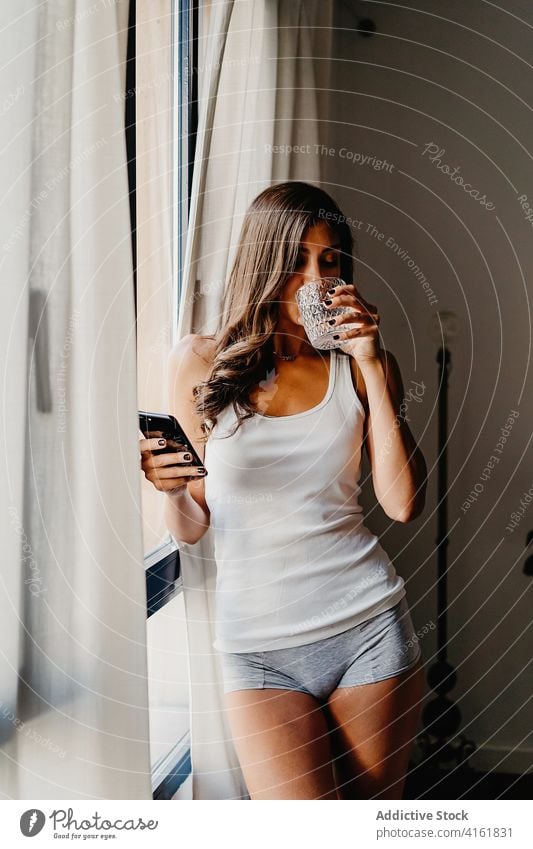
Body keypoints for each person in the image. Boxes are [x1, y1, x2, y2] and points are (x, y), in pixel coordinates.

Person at [140, 181, 428, 800]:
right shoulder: (200, 361)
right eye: (296, 260)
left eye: (330, 261)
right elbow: (193, 525)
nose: (313, 278)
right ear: (262, 262)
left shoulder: (362, 367)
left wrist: (374, 366)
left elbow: (403, 504)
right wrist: (171, 491)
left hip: (367, 626)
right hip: (258, 650)